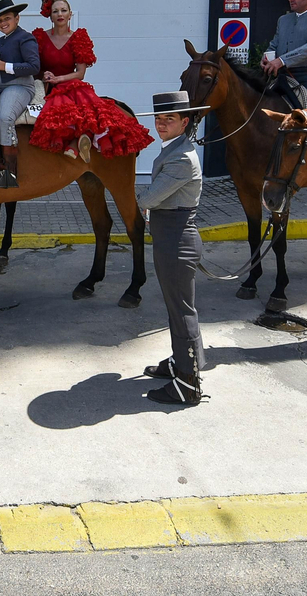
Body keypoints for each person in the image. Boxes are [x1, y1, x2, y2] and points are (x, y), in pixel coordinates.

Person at [135, 91, 211, 407]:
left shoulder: (181, 157)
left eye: (169, 119)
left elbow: (149, 198)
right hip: (171, 237)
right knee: (177, 309)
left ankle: (188, 385)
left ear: (185, 121)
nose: (162, 124)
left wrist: (144, 203)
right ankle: (183, 365)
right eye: (159, 118)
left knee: (182, 312)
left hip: (177, 241)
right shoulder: (174, 148)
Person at [28, 0, 152, 161]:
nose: (60, 14)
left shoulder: (79, 38)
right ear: (50, 15)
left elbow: (80, 73)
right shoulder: (40, 37)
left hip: (71, 85)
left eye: (64, 10)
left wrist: (59, 79)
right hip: (47, 86)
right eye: (55, 11)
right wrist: (44, 74)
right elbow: (34, 66)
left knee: (92, 114)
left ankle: (80, 141)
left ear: (70, 14)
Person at [0, 0, 40, 189]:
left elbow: (34, 66)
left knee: (5, 118)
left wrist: (3, 66)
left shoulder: (26, 38)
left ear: (17, 18)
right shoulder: (1, 41)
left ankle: (10, 172)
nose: (3, 23)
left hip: (20, 87)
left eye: (7, 18)